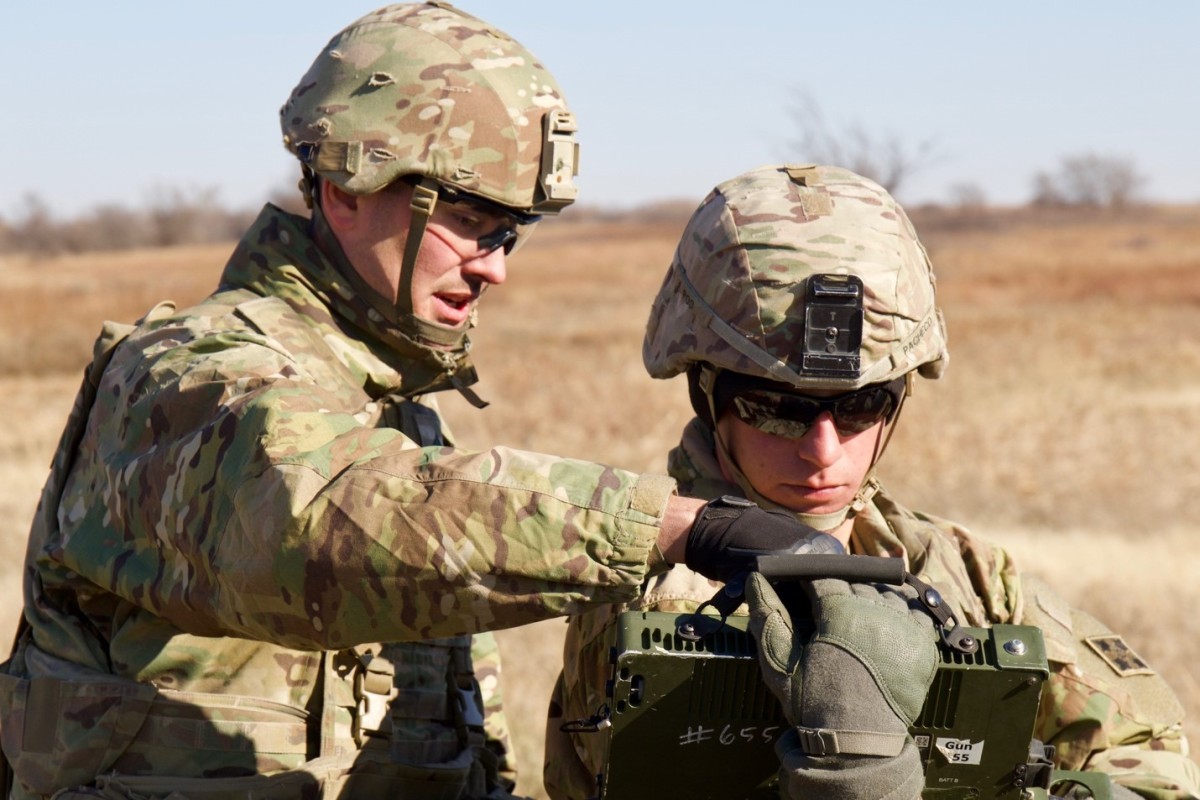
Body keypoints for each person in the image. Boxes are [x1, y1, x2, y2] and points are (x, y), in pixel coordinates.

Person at [0, 8, 821, 800]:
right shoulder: (181, 378)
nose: (494, 267)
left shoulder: (401, 418)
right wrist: (678, 527)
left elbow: (458, 744)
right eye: (467, 221)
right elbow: (308, 520)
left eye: (510, 234)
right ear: (346, 187)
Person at [545, 164, 1200, 799]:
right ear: (704, 392)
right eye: (775, 408)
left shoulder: (958, 572)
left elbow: (1150, 754)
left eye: (862, 406)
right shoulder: (644, 582)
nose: (823, 450)